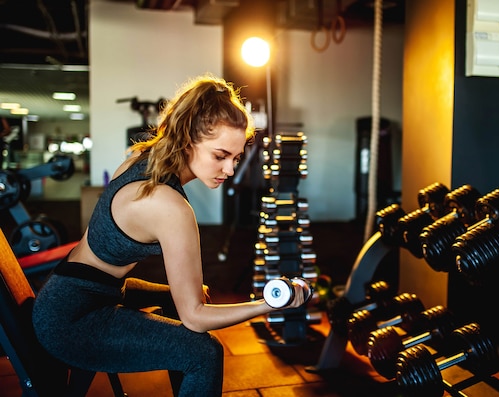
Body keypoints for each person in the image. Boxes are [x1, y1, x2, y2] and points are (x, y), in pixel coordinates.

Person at [31, 74, 308, 397]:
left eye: (236, 157)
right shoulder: (170, 208)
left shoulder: (142, 158)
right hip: (72, 320)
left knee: (190, 298)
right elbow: (195, 319)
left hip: (72, 290)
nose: (230, 170)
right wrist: (268, 305)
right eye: (220, 156)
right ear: (188, 141)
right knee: (204, 352)